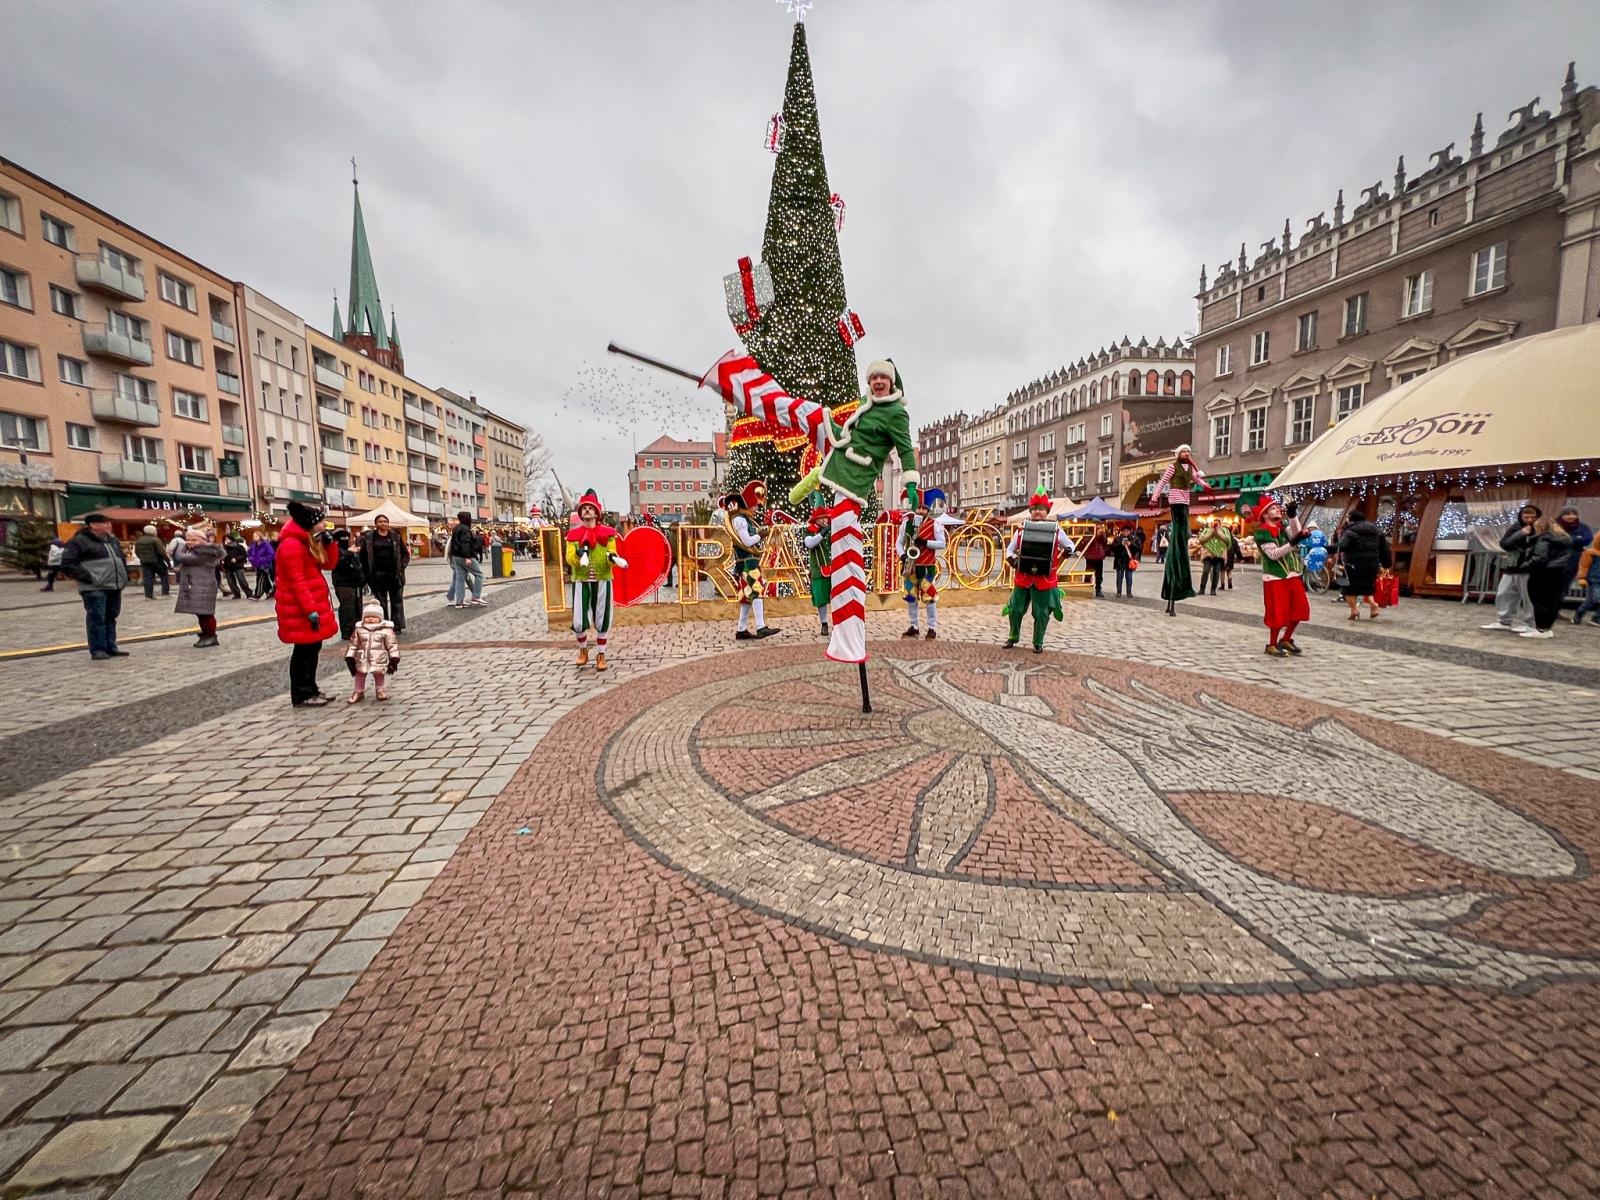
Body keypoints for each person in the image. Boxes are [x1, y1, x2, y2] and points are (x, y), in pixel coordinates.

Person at [275, 500, 339, 707]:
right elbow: (297, 581)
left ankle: (311, 688)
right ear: (309, 523)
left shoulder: (307, 541)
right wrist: (310, 610)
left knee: (312, 649)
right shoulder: (291, 545)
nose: (323, 525)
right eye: (320, 522)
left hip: (311, 603)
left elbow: (328, 564)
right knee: (303, 652)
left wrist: (330, 544)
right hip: (299, 608)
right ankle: (301, 694)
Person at [1002, 487, 1074, 653]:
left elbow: (1070, 544)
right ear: (1031, 511)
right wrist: (1012, 559)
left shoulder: (1056, 529)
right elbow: (1010, 549)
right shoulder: (1021, 530)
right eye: (1035, 509)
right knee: (1015, 609)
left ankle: (1038, 641)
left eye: (1041, 509)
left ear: (1046, 511)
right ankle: (1013, 636)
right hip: (1023, 577)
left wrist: (1067, 551)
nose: (1037, 512)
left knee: (1041, 613)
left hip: (1044, 579)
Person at [565, 488, 627, 671]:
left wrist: (614, 559)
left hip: (602, 580)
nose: (587, 511)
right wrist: (578, 557)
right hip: (581, 581)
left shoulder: (608, 534)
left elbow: (611, 554)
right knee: (578, 621)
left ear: (596, 512)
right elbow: (569, 558)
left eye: (590, 508)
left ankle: (601, 654)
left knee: (602, 618)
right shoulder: (573, 536)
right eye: (584, 508)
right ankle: (583, 651)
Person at [58, 513, 130, 660]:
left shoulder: (112, 541)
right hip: (94, 587)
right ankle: (98, 649)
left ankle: (111, 646)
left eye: (109, 522)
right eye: (105, 523)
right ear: (93, 525)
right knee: (97, 618)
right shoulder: (79, 541)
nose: (109, 525)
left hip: (114, 585)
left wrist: (124, 576)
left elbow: (120, 559)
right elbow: (67, 564)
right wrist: (88, 577)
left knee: (111, 616)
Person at [1251, 495, 1312, 658]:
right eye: (1273, 508)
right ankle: (1271, 644)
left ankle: (1285, 639)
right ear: (1265, 514)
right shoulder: (1262, 533)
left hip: (1292, 574)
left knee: (1300, 608)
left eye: (1278, 507)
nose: (1277, 509)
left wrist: (1292, 515)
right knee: (1278, 613)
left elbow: (1296, 533)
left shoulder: (1282, 526)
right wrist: (1294, 542)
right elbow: (1274, 555)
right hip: (1275, 578)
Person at [1151, 446, 1208, 616]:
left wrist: (1206, 485)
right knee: (1179, 524)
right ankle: (1178, 537)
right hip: (1175, 501)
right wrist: (1155, 497)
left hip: (1185, 501)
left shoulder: (1191, 468)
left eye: (1188, 452)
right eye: (1184, 452)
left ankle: (1181, 536)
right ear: (1178, 454)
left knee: (1183, 526)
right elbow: (1162, 482)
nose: (1186, 454)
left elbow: (1198, 479)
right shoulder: (1172, 466)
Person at [723, 481, 778, 641]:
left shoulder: (743, 519)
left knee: (748, 597)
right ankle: (761, 627)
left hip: (749, 562)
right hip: (747, 562)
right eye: (754, 506)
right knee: (756, 592)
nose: (756, 509)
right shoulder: (740, 520)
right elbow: (747, 542)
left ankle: (741, 629)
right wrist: (760, 535)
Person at [1482, 505, 1540, 634]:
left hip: (1530, 568)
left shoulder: (1541, 528)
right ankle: (1504, 621)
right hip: (1512, 566)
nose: (1529, 519)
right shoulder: (1516, 527)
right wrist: (1521, 534)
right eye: (1526, 516)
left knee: (1529, 598)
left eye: (1532, 517)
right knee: (1504, 593)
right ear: (1521, 516)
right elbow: (1504, 544)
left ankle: (1532, 624)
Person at [898, 488, 947, 638]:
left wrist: (926, 542)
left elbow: (942, 543)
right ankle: (914, 626)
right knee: (911, 597)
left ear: (927, 509)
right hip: (911, 567)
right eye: (918, 508)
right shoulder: (906, 524)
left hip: (927, 567)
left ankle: (931, 628)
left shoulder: (935, 524)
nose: (920, 511)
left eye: (923, 508)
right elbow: (898, 543)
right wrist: (902, 555)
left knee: (929, 598)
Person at [1522, 516, 1574, 640]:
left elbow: (1540, 558)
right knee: (1552, 602)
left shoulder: (1543, 539)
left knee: (1539, 601)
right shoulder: (1565, 540)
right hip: (1559, 572)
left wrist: (1524, 565)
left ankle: (1540, 629)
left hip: (1542, 573)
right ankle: (1547, 628)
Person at [173, 524, 224, 647]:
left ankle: (211, 636)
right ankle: (207, 634)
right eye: (188, 539)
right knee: (201, 613)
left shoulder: (205, 552)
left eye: (193, 540)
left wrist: (181, 546)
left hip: (204, 586)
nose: (189, 542)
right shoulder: (197, 551)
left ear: (202, 541)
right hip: (198, 585)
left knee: (206, 613)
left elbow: (181, 557)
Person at [1337, 510, 1392, 621]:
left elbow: (1342, 545)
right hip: (1371, 564)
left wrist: (1328, 548)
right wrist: (1386, 564)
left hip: (1352, 564)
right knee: (1368, 587)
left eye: (1348, 517)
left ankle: (1354, 610)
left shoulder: (1350, 530)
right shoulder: (1376, 530)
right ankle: (1374, 606)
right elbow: (1384, 549)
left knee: (1347, 587)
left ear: (1351, 518)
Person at [359, 514, 410, 631]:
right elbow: (363, 556)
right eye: (380, 522)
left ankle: (397, 625)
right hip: (377, 574)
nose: (383, 524)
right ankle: (384, 622)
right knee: (381, 601)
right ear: (376, 524)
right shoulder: (369, 537)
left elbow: (405, 553)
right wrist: (366, 572)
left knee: (397, 601)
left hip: (395, 574)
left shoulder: (395, 536)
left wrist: (402, 566)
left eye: (385, 521)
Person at [345, 601, 400, 703]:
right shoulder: (359, 630)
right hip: (362, 657)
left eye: (373, 617)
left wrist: (394, 658)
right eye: (367, 616)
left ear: (380, 618)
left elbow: (392, 645)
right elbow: (353, 644)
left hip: (379, 657)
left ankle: (380, 689)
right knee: (360, 674)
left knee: (378, 673)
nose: (370, 619)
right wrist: (349, 656)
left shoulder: (386, 631)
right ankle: (358, 691)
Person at [330, 527, 366, 639]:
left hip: (355, 583)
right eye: (343, 538)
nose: (346, 540)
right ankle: (347, 632)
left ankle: (356, 629)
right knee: (347, 608)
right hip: (343, 584)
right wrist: (350, 553)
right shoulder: (335, 550)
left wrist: (362, 581)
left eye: (347, 537)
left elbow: (357, 567)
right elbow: (339, 564)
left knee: (357, 607)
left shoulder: (349, 550)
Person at [802, 502, 831, 638]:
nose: (825, 520)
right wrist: (822, 534)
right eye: (822, 518)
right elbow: (809, 543)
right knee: (821, 598)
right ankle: (824, 623)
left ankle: (838, 622)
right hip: (819, 570)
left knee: (837, 596)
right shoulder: (810, 531)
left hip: (834, 568)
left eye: (826, 518)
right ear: (816, 520)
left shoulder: (831, 530)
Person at [447, 511, 486, 608]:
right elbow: (465, 543)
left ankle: (459, 602)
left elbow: (455, 543)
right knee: (480, 574)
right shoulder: (465, 529)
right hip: (465, 556)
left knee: (460, 579)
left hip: (456, 556)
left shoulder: (455, 528)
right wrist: (467, 557)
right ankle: (476, 597)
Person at [1556, 507, 1593, 595]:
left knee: (1565, 583)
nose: (1571, 516)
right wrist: (1577, 539)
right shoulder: (1555, 526)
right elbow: (1552, 539)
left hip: (1575, 558)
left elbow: (1588, 538)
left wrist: (1569, 539)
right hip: (1556, 557)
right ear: (1562, 515)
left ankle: (1558, 600)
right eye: (1568, 514)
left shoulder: (1582, 526)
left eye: (1574, 514)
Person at [133, 524, 171, 600]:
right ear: (153, 531)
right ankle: (165, 592)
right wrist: (168, 562)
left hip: (144, 562)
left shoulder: (139, 540)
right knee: (164, 575)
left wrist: (142, 558)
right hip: (156, 561)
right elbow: (161, 552)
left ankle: (148, 595)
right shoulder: (155, 539)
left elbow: (136, 551)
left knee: (147, 578)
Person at [1572, 531, 1600, 626]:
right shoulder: (1590, 553)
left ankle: (1596, 619)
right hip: (1594, 580)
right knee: (1594, 599)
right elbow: (1584, 566)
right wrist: (1582, 578)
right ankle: (1579, 614)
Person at [1197, 518, 1230, 597]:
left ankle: (1213, 589)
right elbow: (1201, 540)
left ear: (1220, 524)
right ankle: (1202, 589)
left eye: (1217, 523)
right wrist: (1211, 534)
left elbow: (1228, 541)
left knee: (1216, 572)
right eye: (1214, 523)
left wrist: (1219, 533)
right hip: (1208, 554)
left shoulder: (1224, 531)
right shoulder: (1207, 530)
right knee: (1205, 571)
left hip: (1219, 555)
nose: (1215, 524)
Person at [1082, 523, 1108, 598]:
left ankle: (1098, 590)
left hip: (1099, 556)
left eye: (1099, 526)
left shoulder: (1101, 533)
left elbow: (1104, 542)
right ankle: (1086, 589)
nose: (1098, 527)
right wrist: (1096, 535)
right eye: (1097, 526)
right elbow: (1088, 543)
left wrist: (1102, 535)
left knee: (1099, 575)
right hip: (1091, 556)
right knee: (1088, 573)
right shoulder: (1088, 533)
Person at [248, 531, 276, 599]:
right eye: (254, 536)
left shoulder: (266, 545)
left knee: (260, 579)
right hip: (257, 565)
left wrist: (263, 560)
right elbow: (249, 553)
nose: (254, 537)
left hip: (264, 565)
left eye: (256, 536)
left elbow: (271, 554)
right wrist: (251, 559)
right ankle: (270, 592)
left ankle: (258, 594)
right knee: (265, 580)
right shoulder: (253, 545)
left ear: (260, 536)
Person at [1111, 524, 1137, 597]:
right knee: (1119, 577)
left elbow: (1139, 548)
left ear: (1130, 531)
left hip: (1129, 561)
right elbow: (1113, 548)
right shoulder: (1117, 539)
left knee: (1129, 577)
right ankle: (1119, 592)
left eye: (1127, 531)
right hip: (1119, 561)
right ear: (1122, 531)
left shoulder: (1133, 538)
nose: (1126, 532)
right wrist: (1120, 544)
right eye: (1124, 531)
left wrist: (1131, 544)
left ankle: (1129, 592)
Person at [221, 532, 249, 599]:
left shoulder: (239, 546)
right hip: (228, 566)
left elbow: (244, 555)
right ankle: (236, 594)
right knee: (231, 582)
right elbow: (222, 556)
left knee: (241, 580)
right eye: (225, 539)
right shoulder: (223, 548)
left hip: (238, 565)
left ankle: (248, 593)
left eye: (228, 539)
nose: (227, 541)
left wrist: (236, 559)